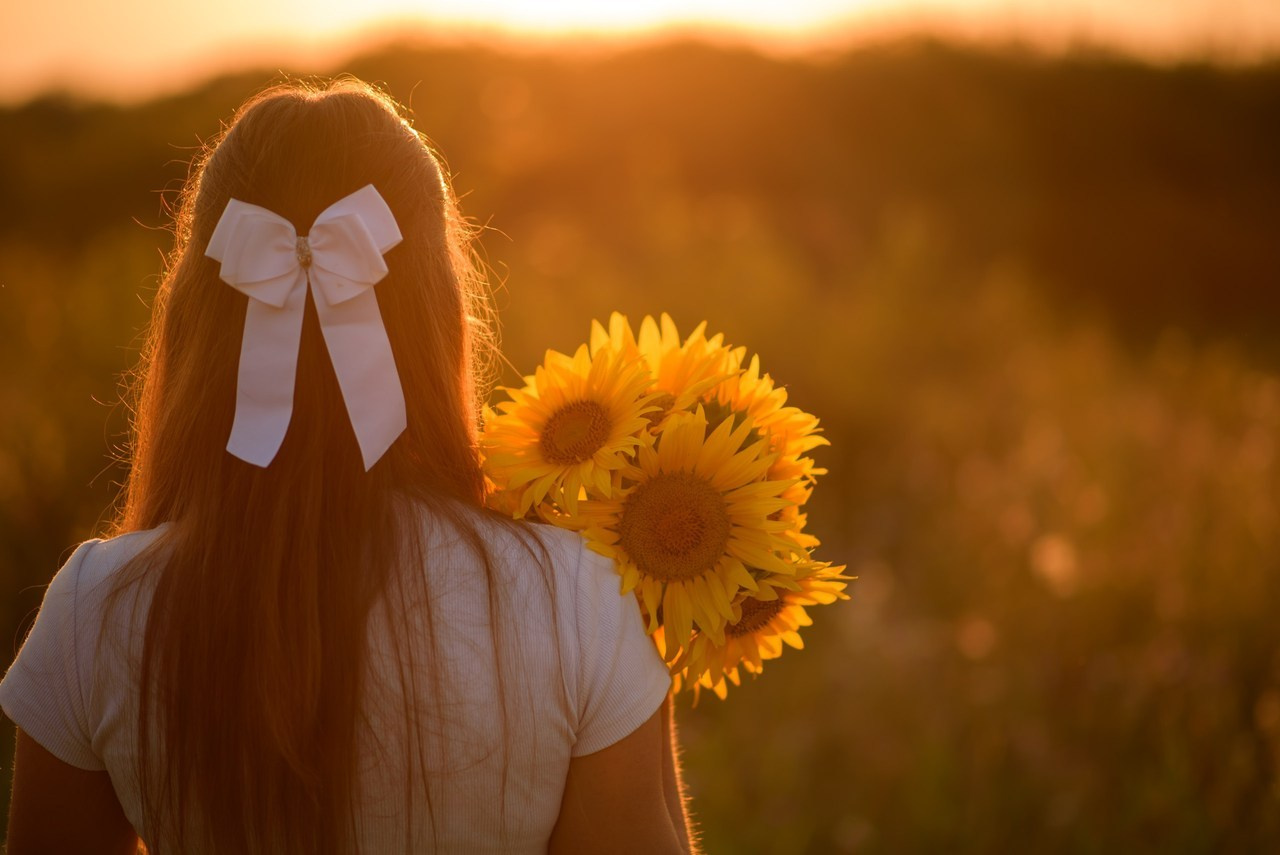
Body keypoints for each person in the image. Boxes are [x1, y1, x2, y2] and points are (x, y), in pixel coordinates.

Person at [0, 79, 695, 854]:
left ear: (198, 312)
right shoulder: (577, 598)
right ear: (437, 309)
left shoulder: (94, 611)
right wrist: (641, 636)